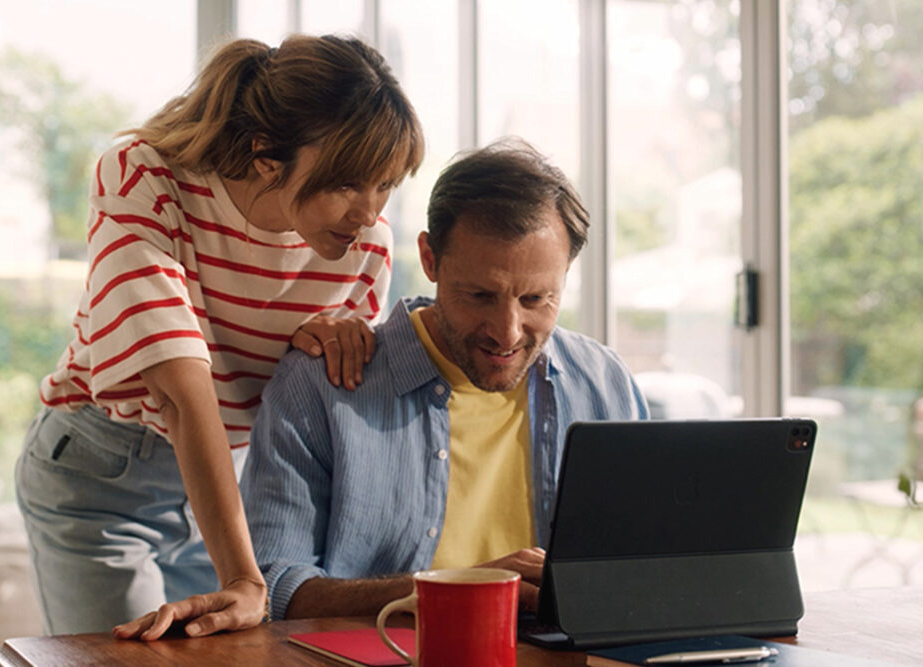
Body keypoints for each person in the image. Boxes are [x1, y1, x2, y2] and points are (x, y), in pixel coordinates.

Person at [19, 33, 424, 640]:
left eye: (385, 184)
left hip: (223, 487)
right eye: (348, 183)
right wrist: (245, 578)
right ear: (267, 155)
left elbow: (323, 401)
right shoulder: (143, 176)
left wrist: (320, 346)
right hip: (103, 472)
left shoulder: (362, 247)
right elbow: (181, 392)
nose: (369, 212)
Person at [222, 139, 646, 622]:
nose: (507, 332)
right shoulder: (320, 386)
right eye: (480, 295)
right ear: (429, 258)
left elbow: (645, 566)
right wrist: (460, 590)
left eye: (536, 300)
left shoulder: (605, 382)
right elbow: (273, 588)